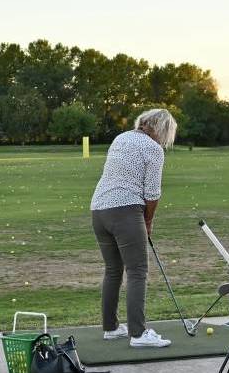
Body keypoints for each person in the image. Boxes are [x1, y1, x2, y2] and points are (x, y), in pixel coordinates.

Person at [90, 108, 178, 348]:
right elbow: (152, 193)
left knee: (113, 270)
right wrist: (148, 222)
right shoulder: (154, 149)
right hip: (125, 212)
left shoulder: (121, 138)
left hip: (99, 210)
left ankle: (111, 328)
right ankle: (138, 334)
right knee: (137, 271)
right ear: (162, 129)